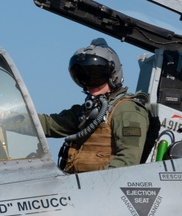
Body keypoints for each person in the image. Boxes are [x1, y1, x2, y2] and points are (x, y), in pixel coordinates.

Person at [39, 38, 152, 173]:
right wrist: (8, 119)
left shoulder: (127, 110)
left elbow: (128, 160)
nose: (91, 83)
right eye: (85, 77)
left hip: (103, 189)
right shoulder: (86, 112)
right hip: (77, 186)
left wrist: (99, 183)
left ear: (113, 75)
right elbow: (48, 124)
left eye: (97, 76)